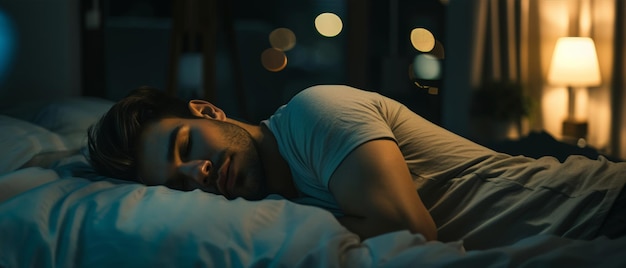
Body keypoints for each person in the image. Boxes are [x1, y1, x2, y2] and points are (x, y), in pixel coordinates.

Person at [88, 84, 625, 249]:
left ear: (207, 111)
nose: (198, 173)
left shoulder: (312, 115)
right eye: (181, 182)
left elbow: (410, 231)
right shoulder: (273, 197)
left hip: (599, 205)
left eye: (188, 146)